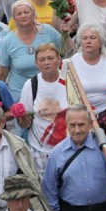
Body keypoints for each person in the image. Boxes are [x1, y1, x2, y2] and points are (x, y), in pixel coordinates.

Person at [17, 43, 69, 175]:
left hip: (68, 147)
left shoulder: (70, 80)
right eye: (42, 59)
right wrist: (21, 116)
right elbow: (24, 123)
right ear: (36, 63)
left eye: (51, 58)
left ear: (58, 59)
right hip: (40, 149)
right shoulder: (31, 85)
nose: (47, 63)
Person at [0, 0, 64, 100]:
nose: (23, 16)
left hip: (50, 88)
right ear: (14, 19)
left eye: (26, 12)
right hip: (19, 91)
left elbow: (65, 51)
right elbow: (2, 73)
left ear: (33, 14)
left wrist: (66, 33)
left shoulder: (47, 30)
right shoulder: (7, 41)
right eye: (19, 14)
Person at [63, 24, 106, 128]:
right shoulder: (73, 62)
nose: (88, 41)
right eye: (85, 38)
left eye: (93, 38)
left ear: (101, 42)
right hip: (82, 114)